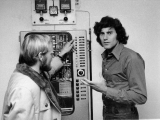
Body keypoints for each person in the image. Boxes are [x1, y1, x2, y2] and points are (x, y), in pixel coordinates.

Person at [81, 16, 147, 119]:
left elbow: (140, 96)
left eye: (109, 33)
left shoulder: (131, 58)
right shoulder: (106, 57)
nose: (105, 38)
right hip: (108, 113)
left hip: (124, 115)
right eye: (102, 33)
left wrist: (105, 90)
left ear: (118, 35)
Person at [1, 34, 74, 120]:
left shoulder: (31, 74)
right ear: (40, 56)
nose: (52, 57)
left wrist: (62, 54)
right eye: (51, 54)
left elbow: (49, 71)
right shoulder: (24, 89)